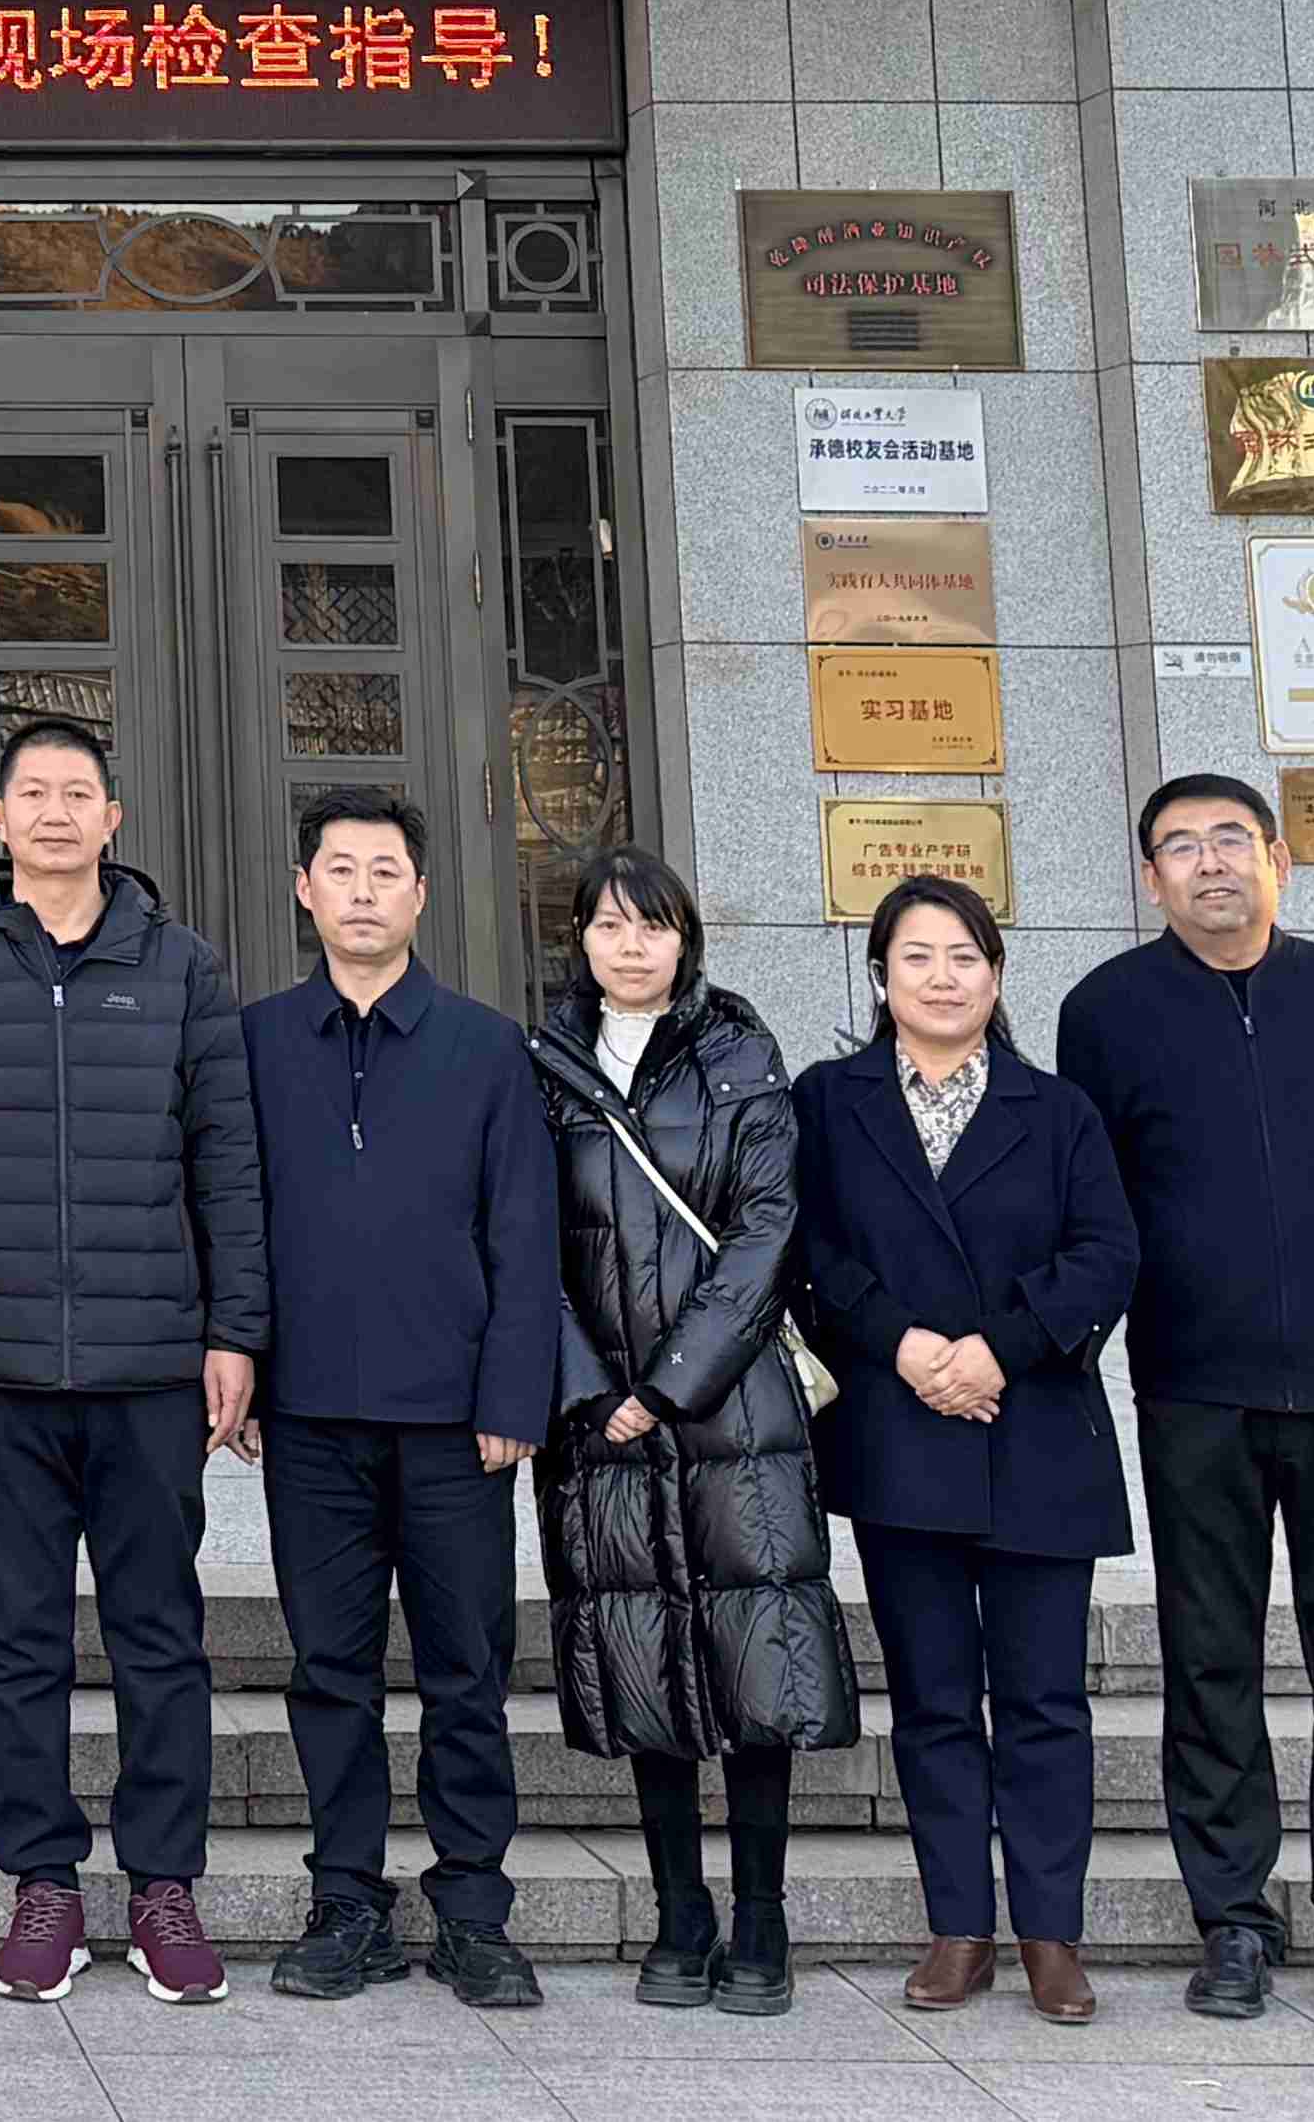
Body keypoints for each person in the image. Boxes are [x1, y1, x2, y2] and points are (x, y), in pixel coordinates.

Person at [1059, 769, 1314, 2033]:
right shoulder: (1107, 1011)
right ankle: (1231, 1917)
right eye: (1181, 846)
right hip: (1196, 1382)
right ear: (1150, 877)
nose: (1210, 862)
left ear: (1279, 859)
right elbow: (1101, 1194)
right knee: (1210, 1652)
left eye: (1233, 839)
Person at [0, 714, 267, 2008]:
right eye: (33, 793)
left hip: (150, 1366)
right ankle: (42, 1882)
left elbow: (228, 1163)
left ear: (113, 818)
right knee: (18, 1641)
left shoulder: (182, 968)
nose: (55, 813)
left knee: (160, 1636)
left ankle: (164, 1886)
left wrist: (234, 1331)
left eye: (78, 793)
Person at [796, 871, 1138, 2023]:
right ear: (880, 975)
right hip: (902, 1434)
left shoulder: (1059, 1109)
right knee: (934, 1698)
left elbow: (1107, 1253)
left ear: (995, 975)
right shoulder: (830, 1102)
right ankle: (959, 1928)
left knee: (1044, 1701)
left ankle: (1050, 1934)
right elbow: (812, 1252)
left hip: (1036, 1430)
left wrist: (1001, 1348)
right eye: (918, 957)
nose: (942, 979)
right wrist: (902, 1347)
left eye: (965, 958)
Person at [525, 847, 859, 2018]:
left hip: (735, 1407)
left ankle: (760, 1917)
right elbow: (518, 1239)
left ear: (685, 939)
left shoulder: (741, 1058)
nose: (631, 947)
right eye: (608, 925)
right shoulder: (543, 1069)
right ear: (578, 937)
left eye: (653, 926)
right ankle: (680, 1914)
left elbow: (767, 1234)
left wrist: (668, 1386)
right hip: (596, 1416)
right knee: (641, 1651)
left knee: (755, 1652)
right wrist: (588, 1387)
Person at [237, 784, 554, 2011]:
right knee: (332, 1669)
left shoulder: (486, 1046)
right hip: (310, 1415)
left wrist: (513, 1393)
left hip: (455, 1423)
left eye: (385, 872)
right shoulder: (257, 1042)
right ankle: (347, 1903)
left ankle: (473, 1908)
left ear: (421, 893)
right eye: (340, 869)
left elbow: (523, 1234)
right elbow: (232, 1219)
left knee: (467, 1668)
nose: (362, 892)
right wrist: (240, 1360)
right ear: (304, 889)